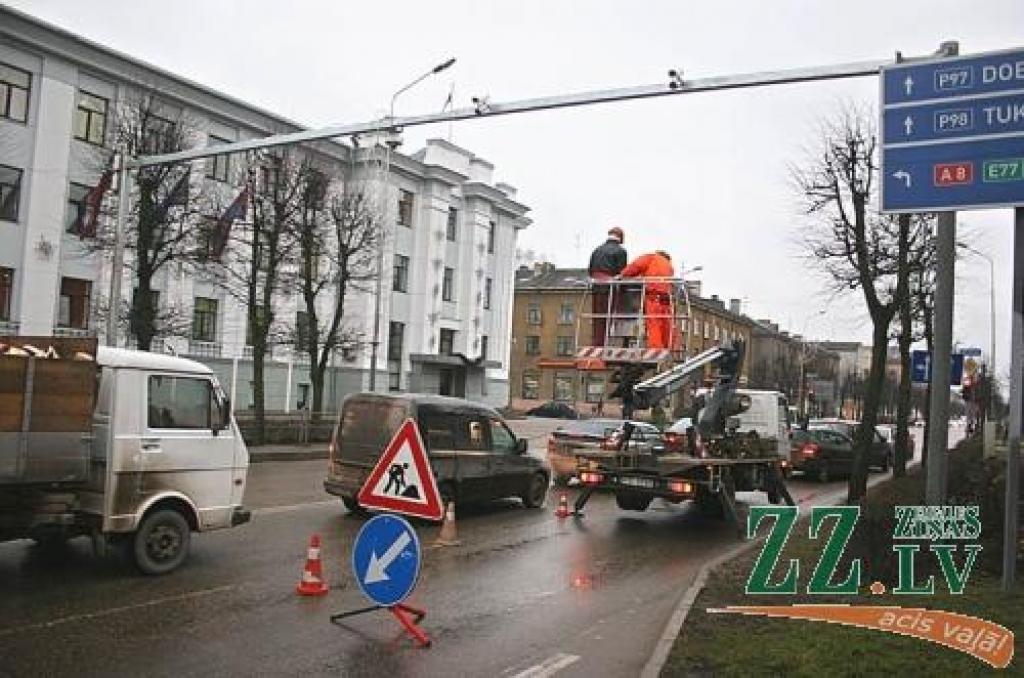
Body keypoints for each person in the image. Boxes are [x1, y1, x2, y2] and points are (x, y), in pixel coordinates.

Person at [618, 250, 674, 349]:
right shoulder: (669, 266)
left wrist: (621, 275)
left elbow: (635, 266)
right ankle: (668, 348)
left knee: (654, 324)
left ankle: (656, 349)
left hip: (653, 296)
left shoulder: (651, 258)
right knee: (665, 325)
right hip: (666, 299)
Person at [587, 227, 627, 346]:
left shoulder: (597, 250)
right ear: (621, 237)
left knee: (597, 317)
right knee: (608, 317)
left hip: (596, 287)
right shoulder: (620, 251)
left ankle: (597, 343)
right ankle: (604, 343)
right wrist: (624, 291)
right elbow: (622, 273)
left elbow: (590, 270)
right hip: (609, 287)